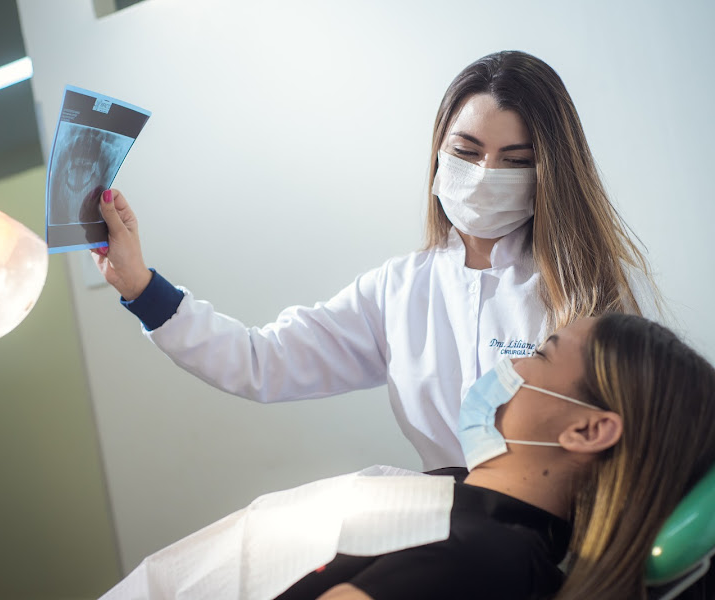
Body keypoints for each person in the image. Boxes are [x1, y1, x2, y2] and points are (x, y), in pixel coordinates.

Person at [92, 50, 660, 470]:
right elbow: (259, 361)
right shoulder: (397, 290)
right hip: (453, 526)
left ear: (550, 171)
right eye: (466, 152)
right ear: (438, 151)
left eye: (514, 160)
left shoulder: (592, 288)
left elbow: (641, 439)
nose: (485, 176)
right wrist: (142, 287)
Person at [99, 313, 715, 600]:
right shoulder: (454, 497)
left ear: (588, 430)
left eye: (542, 351)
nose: (511, 360)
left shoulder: (487, 562)